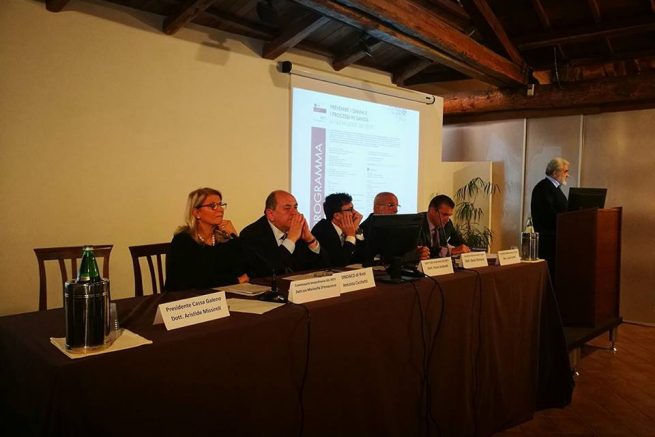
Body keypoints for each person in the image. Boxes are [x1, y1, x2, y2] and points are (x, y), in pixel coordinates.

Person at [165, 187, 249, 291]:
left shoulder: (222, 238)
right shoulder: (183, 240)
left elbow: (243, 270)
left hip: (220, 295)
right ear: (196, 213)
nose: (220, 209)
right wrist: (234, 280)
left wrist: (234, 236)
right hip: (187, 298)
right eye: (212, 206)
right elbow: (194, 281)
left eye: (220, 204)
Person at [240, 190, 328, 278]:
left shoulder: (298, 231)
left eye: (295, 207)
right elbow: (266, 271)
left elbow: (325, 267)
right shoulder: (251, 234)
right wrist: (291, 240)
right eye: (287, 208)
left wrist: (310, 240)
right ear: (271, 214)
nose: (295, 213)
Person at [360, 192, 430, 261]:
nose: (396, 210)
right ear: (377, 207)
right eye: (391, 205)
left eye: (397, 206)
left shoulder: (400, 227)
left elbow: (403, 251)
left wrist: (417, 252)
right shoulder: (364, 229)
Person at [530, 157, 569, 277]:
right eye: (565, 171)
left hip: (556, 240)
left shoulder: (553, 188)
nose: (567, 175)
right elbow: (548, 216)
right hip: (548, 242)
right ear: (555, 172)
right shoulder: (543, 188)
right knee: (550, 277)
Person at [311, 193, 366, 268]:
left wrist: (356, 229)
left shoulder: (347, 228)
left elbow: (364, 258)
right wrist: (351, 236)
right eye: (350, 210)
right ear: (337, 215)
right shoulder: (322, 230)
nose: (356, 214)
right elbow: (339, 263)